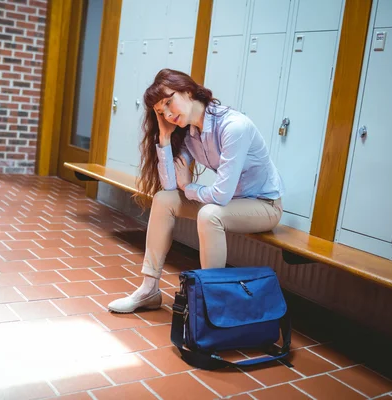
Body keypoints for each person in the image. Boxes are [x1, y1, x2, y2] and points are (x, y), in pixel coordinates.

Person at [107, 68, 285, 313]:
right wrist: (165, 139)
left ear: (188, 91)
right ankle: (149, 290)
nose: (169, 114)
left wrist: (189, 187)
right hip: (227, 203)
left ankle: (212, 303)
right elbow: (171, 186)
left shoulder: (234, 127)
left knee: (209, 214)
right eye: (161, 112)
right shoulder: (190, 133)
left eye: (169, 102)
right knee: (163, 199)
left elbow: (219, 195)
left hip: (263, 205)